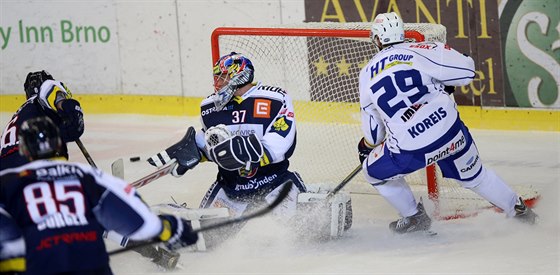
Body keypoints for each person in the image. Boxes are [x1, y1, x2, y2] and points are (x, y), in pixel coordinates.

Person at [357, 12, 537, 234]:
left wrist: (366, 146)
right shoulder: (423, 49)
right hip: (451, 132)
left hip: (411, 149)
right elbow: (467, 71)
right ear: (403, 34)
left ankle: (414, 217)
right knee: (476, 176)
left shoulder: (366, 74)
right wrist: (442, 82)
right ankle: (519, 211)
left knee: (373, 172)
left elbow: (374, 136)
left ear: (376, 40)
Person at [148, 52, 352, 248]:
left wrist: (242, 152)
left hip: (274, 183)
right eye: (216, 78)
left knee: (316, 229)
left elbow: (282, 143)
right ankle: (168, 215)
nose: (217, 83)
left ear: (240, 76)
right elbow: (210, 142)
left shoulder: (275, 99)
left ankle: (318, 196)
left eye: (223, 77)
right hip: (233, 189)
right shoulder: (209, 107)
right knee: (207, 240)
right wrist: (194, 151)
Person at [0, 116, 198, 274]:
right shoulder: (87, 176)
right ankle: (158, 256)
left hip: (40, 264)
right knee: (102, 222)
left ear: (24, 149)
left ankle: (156, 256)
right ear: (58, 143)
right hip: (91, 265)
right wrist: (166, 228)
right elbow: (136, 219)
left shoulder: (8, 182)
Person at [0, 70, 84, 171]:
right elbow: (56, 95)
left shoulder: (21, 113)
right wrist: (75, 117)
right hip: (31, 157)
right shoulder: (45, 89)